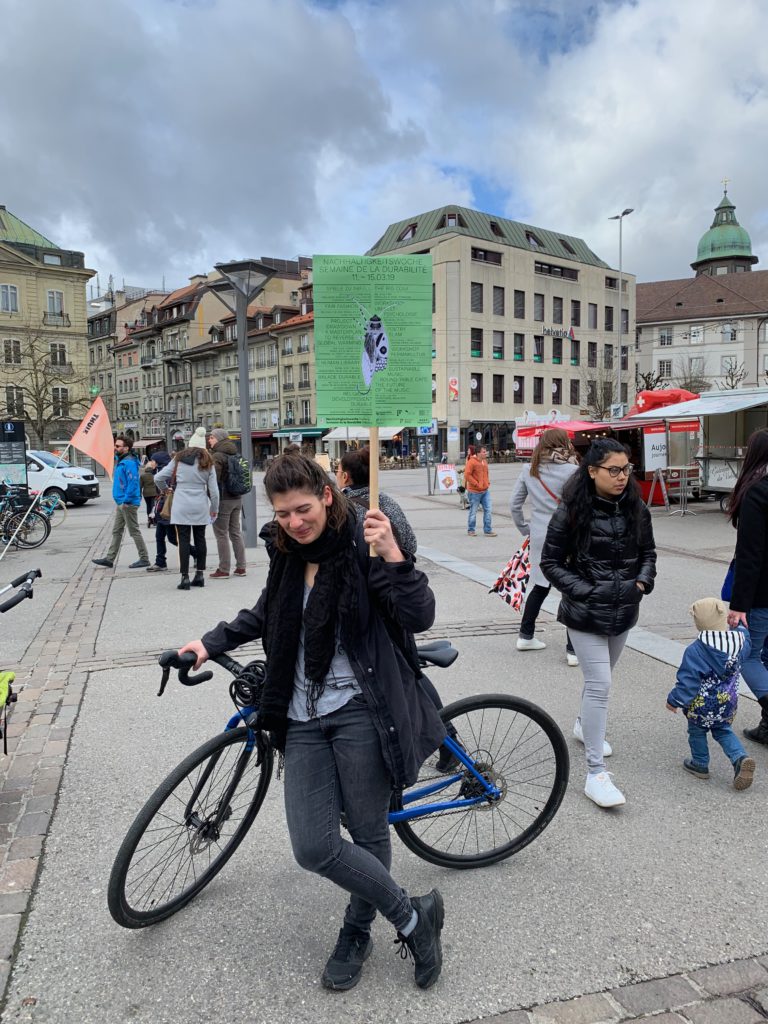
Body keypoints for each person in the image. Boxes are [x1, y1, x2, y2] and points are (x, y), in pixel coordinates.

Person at [177, 452, 446, 991]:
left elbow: (420, 616)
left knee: (369, 833)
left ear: (327, 495)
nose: (295, 523)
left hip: (359, 711)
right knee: (313, 847)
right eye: (282, 514)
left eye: (303, 509)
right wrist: (208, 643)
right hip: (298, 714)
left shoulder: (365, 543)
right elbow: (265, 613)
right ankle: (414, 917)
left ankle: (357, 927)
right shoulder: (285, 550)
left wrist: (394, 555)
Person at [540, 438, 657, 809]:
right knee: (600, 684)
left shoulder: (636, 507)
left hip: (625, 611)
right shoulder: (572, 510)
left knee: (601, 680)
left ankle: (582, 724)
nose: (622, 477)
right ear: (592, 471)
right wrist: (586, 591)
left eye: (626, 469)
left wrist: (642, 583)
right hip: (586, 614)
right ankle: (595, 773)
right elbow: (550, 562)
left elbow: (649, 553)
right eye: (614, 470)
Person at [666, 597, 755, 790]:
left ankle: (700, 764)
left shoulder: (696, 650)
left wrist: (674, 700)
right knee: (722, 730)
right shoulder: (741, 643)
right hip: (727, 702)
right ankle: (740, 758)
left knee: (696, 731)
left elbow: (688, 683)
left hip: (700, 706)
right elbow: (747, 640)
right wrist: (740, 626)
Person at [510, 428, 579, 665]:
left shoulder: (530, 469)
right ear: (564, 444)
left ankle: (525, 635)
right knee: (570, 589)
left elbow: (514, 505)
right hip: (567, 536)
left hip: (539, 535)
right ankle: (572, 650)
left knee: (540, 586)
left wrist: (526, 529)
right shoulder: (573, 470)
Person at [725, 427, 768, 746]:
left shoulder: (757, 490)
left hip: (762, 591)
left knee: (748, 656)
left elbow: (750, 554)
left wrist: (739, 604)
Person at [154, 443, 219, 591]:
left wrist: (165, 489)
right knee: (200, 538)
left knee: (183, 540)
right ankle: (200, 575)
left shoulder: (178, 459)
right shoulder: (207, 462)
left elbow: (158, 477)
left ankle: (184, 577)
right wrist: (214, 508)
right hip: (200, 504)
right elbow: (214, 491)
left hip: (181, 503)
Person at [335, 446, 418, 556]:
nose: (335, 474)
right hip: (396, 569)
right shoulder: (387, 501)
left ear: (345, 476)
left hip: (369, 572)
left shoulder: (343, 510)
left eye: (337, 470)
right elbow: (411, 545)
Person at [92, 435, 150, 569]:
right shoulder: (122, 460)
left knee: (134, 531)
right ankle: (110, 558)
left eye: (118, 446)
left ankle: (144, 558)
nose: (115, 448)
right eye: (115, 445)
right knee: (116, 531)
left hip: (127, 503)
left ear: (126, 448)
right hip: (122, 503)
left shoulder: (129, 462)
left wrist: (126, 500)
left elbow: (133, 482)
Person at [207, 427, 247, 578]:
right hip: (237, 497)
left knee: (221, 534)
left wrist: (211, 498)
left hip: (224, 499)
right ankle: (241, 567)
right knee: (235, 532)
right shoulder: (235, 452)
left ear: (218, 438)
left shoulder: (217, 455)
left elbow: (214, 480)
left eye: (211, 437)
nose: (209, 440)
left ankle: (224, 569)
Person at [145, 451, 178, 573]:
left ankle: (195, 553)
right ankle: (160, 562)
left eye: (152, 460)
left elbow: (169, 489)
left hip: (167, 508)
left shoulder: (167, 473)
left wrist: (165, 490)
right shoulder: (158, 471)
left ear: (157, 461)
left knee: (172, 538)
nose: (150, 462)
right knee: (159, 536)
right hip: (161, 508)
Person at [464, 445, 496, 537]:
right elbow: (467, 475)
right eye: (483, 452)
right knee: (473, 512)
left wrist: (487, 483)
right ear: (478, 453)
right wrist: (476, 484)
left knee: (488, 510)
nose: (485, 453)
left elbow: (486, 473)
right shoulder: (471, 462)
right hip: (474, 492)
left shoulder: (484, 462)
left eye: (485, 451)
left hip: (485, 491)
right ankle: (471, 530)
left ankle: (488, 530)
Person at [139, 457, 158, 527]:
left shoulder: (142, 476)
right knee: (153, 506)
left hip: (146, 493)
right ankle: (154, 520)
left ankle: (149, 519)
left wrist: (140, 494)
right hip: (154, 493)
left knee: (148, 506)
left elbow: (140, 486)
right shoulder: (154, 475)